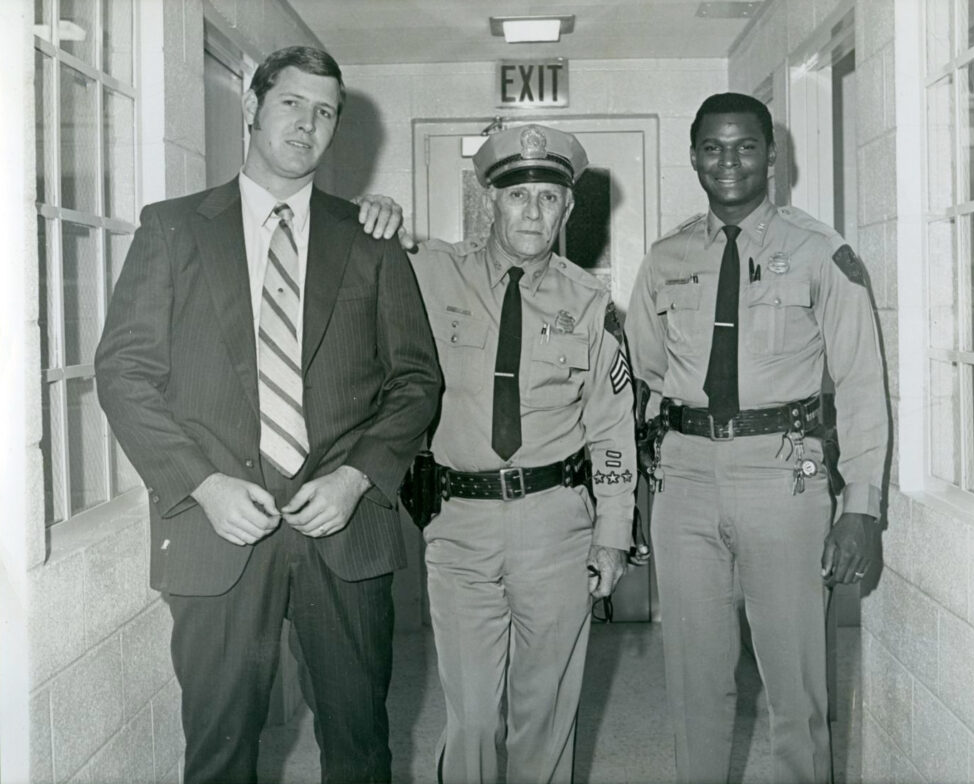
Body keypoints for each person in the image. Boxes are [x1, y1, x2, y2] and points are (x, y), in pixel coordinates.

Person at [95, 45, 441, 784]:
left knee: (360, 749)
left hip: (343, 532)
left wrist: (356, 478)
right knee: (219, 752)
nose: (307, 123)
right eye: (291, 103)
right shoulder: (174, 229)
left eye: (325, 113)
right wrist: (203, 485)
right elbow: (123, 372)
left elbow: (416, 381)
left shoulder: (370, 241)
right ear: (252, 108)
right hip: (217, 531)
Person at [625, 92, 887, 784]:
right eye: (713, 147)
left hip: (783, 475)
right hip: (682, 479)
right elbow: (646, 367)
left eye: (745, 146)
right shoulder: (666, 256)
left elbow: (860, 381)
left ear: (772, 155)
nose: (728, 161)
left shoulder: (819, 253)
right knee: (694, 678)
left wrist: (860, 505)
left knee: (796, 685)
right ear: (693, 157)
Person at [407, 124, 637, 784]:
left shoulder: (593, 306)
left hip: (556, 527)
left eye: (547, 197)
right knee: (473, 718)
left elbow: (612, 429)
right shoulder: (429, 274)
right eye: (517, 197)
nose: (532, 211)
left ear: (567, 209)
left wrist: (613, 534)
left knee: (545, 716)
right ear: (490, 203)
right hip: (460, 526)